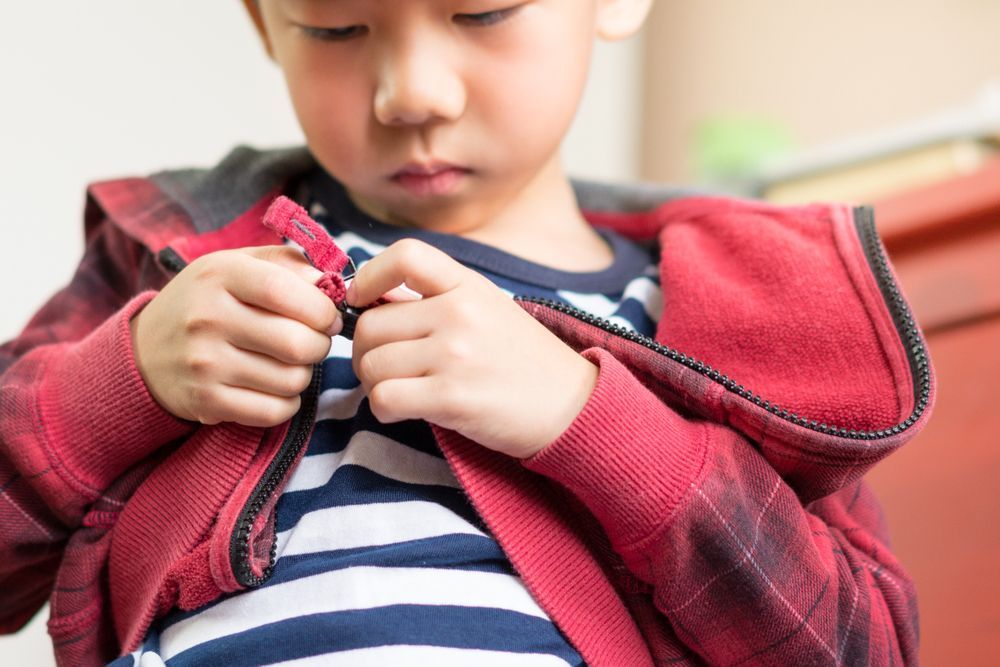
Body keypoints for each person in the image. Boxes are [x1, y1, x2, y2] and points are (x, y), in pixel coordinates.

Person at [0, 1, 933, 665]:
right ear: (261, 21)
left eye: (482, 12)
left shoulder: (739, 310)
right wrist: (120, 384)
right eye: (336, 26)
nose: (412, 93)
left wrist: (591, 423)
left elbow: (853, 647)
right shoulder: (167, 265)